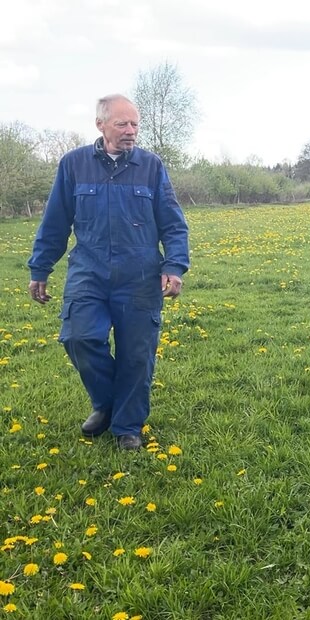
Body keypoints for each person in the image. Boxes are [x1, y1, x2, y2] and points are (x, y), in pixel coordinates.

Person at [27, 94, 190, 451]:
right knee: (78, 337)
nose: (131, 131)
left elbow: (174, 224)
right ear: (100, 124)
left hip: (140, 274)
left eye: (135, 124)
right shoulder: (73, 165)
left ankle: (127, 427)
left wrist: (174, 266)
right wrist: (40, 268)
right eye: (122, 124)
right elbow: (55, 222)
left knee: (136, 354)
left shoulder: (151, 166)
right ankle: (106, 403)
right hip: (89, 270)